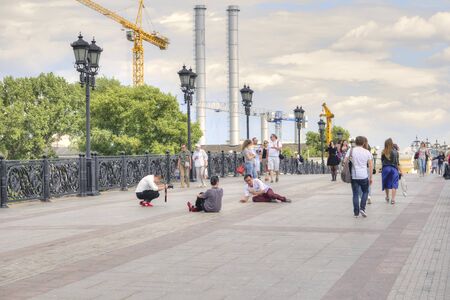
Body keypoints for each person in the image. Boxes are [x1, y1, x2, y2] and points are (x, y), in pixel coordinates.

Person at [344, 136, 373, 218]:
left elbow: (344, 161)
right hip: (364, 175)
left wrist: (350, 160)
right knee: (365, 192)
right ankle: (362, 208)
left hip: (354, 176)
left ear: (355, 142)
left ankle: (356, 213)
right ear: (363, 143)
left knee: (355, 194)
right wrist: (370, 178)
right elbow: (370, 166)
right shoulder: (367, 152)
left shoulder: (351, 150)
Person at [381, 138, 400, 204]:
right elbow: (397, 163)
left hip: (386, 168)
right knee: (394, 184)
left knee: (386, 183)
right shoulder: (396, 152)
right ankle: (393, 199)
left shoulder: (383, 151)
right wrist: (401, 172)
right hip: (394, 169)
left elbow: (382, 161)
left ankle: (387, 197)